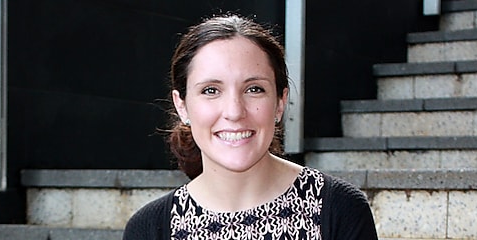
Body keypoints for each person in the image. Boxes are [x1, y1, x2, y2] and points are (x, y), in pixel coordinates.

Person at [124, 14, 377, 240]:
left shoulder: (337, 208)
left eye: (254, 89)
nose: (234, 111)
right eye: (211, 90)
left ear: (280, 103)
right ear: (182, 106)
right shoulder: (150, 228)